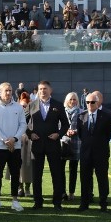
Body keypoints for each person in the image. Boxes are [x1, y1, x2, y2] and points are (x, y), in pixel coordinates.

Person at [67, 91, 111, 212]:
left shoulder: (107, 116)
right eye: (87, 102)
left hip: (101, 153)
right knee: (85, 179)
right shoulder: (81, 116)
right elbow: (82, 136)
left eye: (92, 102)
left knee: (102, 179)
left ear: (97, 103)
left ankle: (103, 204)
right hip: (85, 153)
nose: (89, 104)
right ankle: (84, 203)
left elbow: (108, 135)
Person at [27, 81, 70, 210]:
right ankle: (38, 202)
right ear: (37, 91)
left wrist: (59, 134)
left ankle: (57, 202)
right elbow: (22, 123)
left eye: (45, 89)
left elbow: (65, 124)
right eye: (40, 89)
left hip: (53, 145)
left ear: (50, 90)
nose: (42, 91)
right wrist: (30, 134)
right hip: (37, 145)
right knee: (36, 175)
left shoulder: (57, 105)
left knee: (56, 174)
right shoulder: (32, 105)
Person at [0, 82, 27, 212]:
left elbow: (23, 125)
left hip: (15, 147)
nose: (9, 93)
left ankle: (15, 201)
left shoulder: (18, 107)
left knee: (15, 174)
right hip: (0, 147)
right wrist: (5, 140)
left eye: (10, 90)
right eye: (6, 90)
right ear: (0, 92)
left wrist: (14, 139)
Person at [60, 92, 82, 202]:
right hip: (63, 143)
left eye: (74, 99)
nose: (72, 101)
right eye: (70, 99)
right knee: (61, 170)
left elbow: (83, 127)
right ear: (67, 100)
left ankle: (72, 193)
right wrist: (65, 131)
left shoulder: (81, 112)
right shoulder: (61, 111)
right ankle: (62, 192)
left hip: (76, 143)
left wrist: (75, 131)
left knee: (73, 170)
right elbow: (57, 126)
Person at [18, 92, 34, 197]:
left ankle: (27, 187)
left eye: (26, 105)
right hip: (18, 140)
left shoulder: (33, 111)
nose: (24, 107)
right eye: (22, 105)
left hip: (29, 140)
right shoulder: (16, 110)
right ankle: (20, 187)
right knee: (18, 165)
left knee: (29, 165)